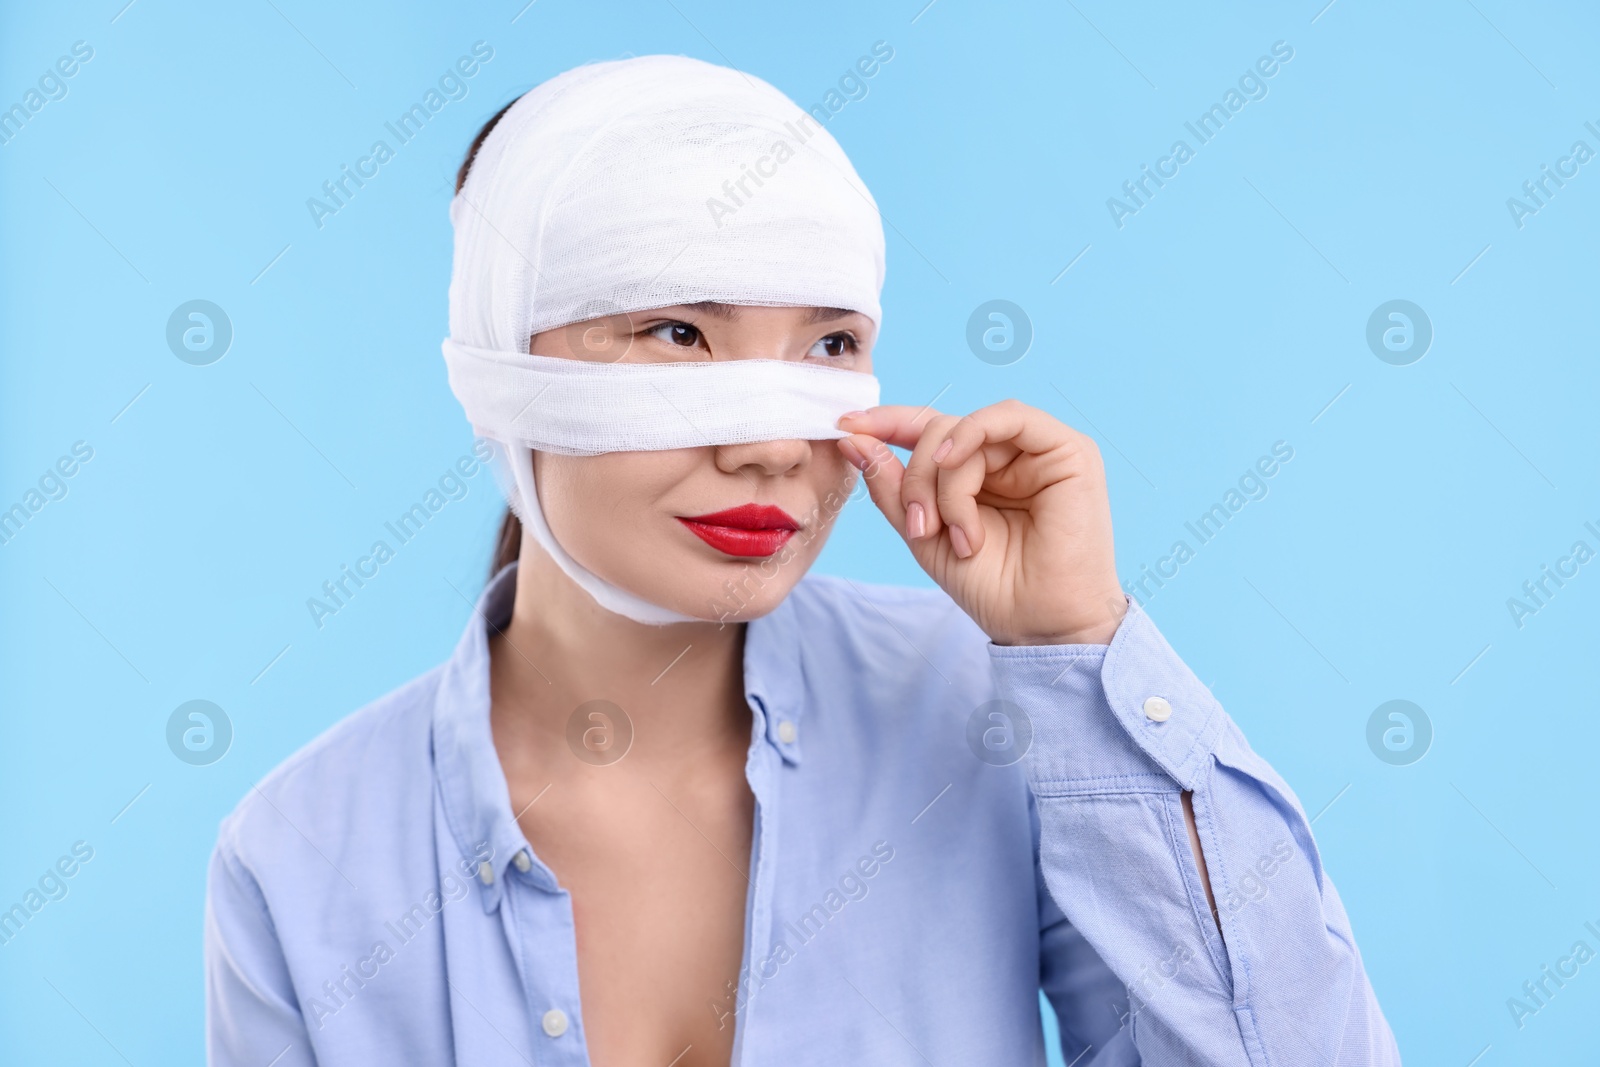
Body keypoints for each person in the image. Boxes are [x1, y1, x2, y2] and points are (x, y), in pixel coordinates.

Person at [205, 55, 1400, 1066]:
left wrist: (1077, 648)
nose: (773, 442)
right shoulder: (302, 858)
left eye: (829, 342)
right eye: (677, 331)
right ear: (500, 366)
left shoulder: (982, 707)